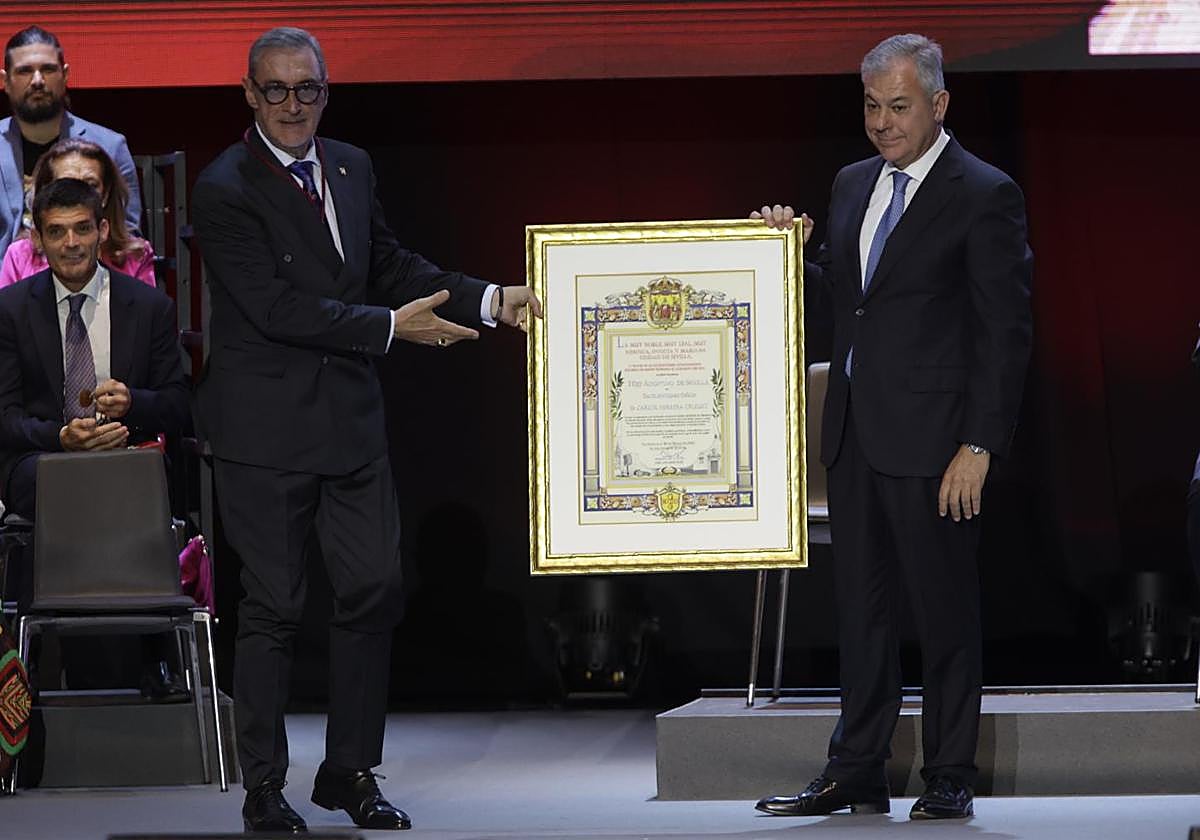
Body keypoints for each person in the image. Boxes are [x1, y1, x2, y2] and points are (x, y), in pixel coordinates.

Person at [191, 26, 540, 833]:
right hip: (264, 434)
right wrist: (390, 330)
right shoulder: (224, 186)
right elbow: (278, 311)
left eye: (306, 89)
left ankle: (349, 771)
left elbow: (391, 266)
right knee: (274, 607)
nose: (292, 106)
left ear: (325, 91)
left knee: (374, 590)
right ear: (249, 95)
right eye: (274, 91)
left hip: (349, 424)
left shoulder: (350, 165)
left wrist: (489, 299)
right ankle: (264, 789)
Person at [752, 33, 1033, 820]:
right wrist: (786, 254)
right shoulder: (849, 184)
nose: (882, 123)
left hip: (938, 443)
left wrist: (979, 445)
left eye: (899, 107)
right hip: (854, 438)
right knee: (861, 616)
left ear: (938, 105)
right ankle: (858, 769)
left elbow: (1004, 333)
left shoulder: (984, 192)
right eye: (872, 106)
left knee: (944, 614)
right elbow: (852, 296)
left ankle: (948, 772)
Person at [0, 177, 189, 699]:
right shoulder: (11, 309)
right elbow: (5, 418)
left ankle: (141, 651)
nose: (71, 243)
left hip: (126, 460)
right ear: (38, 239)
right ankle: (42, 664)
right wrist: (62, 438)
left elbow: (178, 405)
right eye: (56, 232)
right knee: (61, 484)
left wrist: (134, 404)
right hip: (43, 462)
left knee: (131, 481)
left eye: (83, 229)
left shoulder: (148, 307)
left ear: (103, 230)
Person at [0, 25, 142, 258]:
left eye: (47, 69)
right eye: (25, 71)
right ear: (5, 81)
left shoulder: (110, 146)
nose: (37, 81)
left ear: (65, 75)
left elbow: (125, 232)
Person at [0, 138, 155, 288]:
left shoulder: (136, 255)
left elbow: (146, 312)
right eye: (66, 184)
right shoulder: (20, 255)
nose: (79, 195)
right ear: (45, 193)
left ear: (106, 194)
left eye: (91, 185)